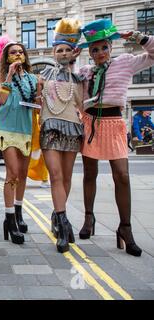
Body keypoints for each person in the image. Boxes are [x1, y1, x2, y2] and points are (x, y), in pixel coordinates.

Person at [77, 19, 154, 256]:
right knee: (90, 173)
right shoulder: (84, 72)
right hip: (90, 124)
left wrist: (136, 37)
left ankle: (125, 228)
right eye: (94, 49)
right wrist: (71, 55)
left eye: (103, 48)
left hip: (114, 123)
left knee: (122, 175)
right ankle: (89, 219)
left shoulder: (125, 63)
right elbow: (70, 91)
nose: (99, 53)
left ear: (111, 47)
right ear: (90, 53)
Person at [0, 35, 38, 245]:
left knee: (23, 174)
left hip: (25, 128)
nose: (17, 55)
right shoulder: (1, 77)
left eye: (20, 52)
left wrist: (40, 101)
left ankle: (18, 212)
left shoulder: (34, 80)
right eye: (12, 52)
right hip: (6, 128)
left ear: (25, 56)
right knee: (13, 173)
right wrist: (8, 75)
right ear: (6, 58)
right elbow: (2, 99)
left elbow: (36, 103)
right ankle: (9, 218)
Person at [38, 18, 84, 253]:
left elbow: (84, 107)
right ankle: (64, 224)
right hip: (50, 129)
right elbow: (35, 101)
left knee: (66, 178)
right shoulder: (43, 76)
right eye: (59, 50)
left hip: (72, 130)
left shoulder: (79, 78)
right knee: (55, 176)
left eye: (67, 49)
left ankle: (57, 218)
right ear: (53, 53)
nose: (63, 53)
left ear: (73, 52)